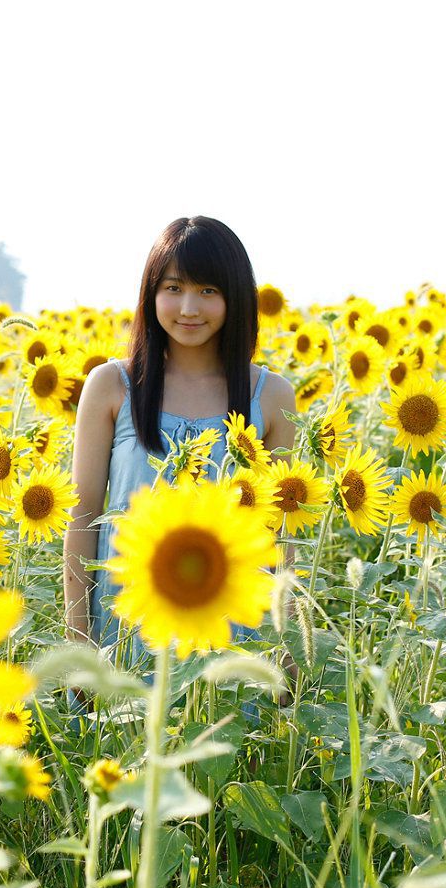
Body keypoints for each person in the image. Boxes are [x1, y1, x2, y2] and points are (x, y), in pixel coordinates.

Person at [63, 216, 299, 671]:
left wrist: (284, 643)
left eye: (208, 291)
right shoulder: (113, 385)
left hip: (232, 634)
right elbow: (83, 519)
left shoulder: (270, 395)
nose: (189, 307)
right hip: (127, 623)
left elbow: (278, 533)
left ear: (235, 298)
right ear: (151, 294)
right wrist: (80, 643)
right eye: (173, 288)